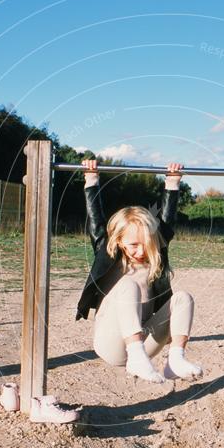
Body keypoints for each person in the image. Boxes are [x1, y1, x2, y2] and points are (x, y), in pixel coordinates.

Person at [75, 158, 202, 384]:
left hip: (146, 344)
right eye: (133, 244)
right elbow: (95, 219)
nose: (141, 250)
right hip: (111, 343)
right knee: (128, 285)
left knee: (183, 298)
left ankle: (175, 360)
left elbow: (167, 220)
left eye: (146, 243)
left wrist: (172, 182)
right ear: (119, 241)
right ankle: (135, 355)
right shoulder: (107, 252)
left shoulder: (156, 253)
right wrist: (91, 178)